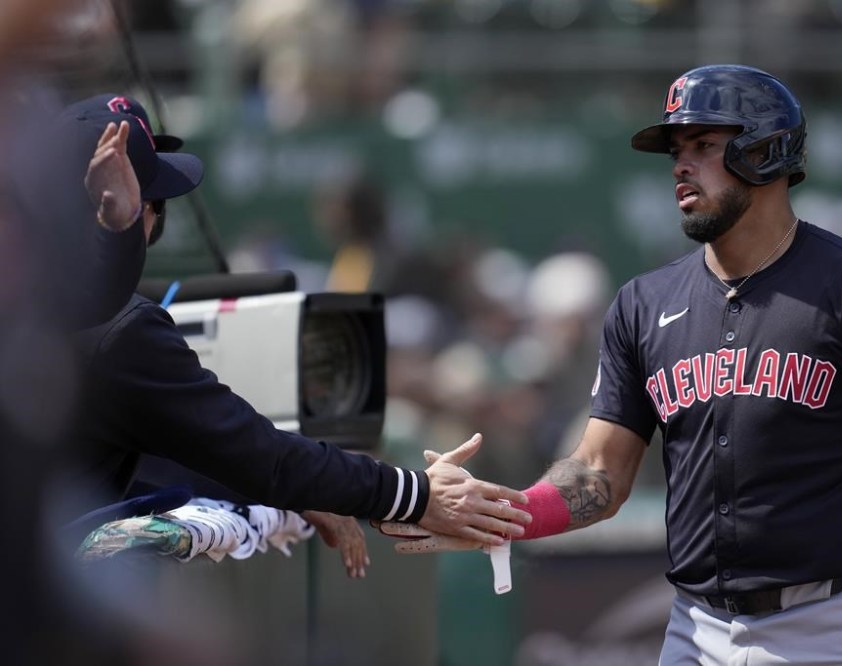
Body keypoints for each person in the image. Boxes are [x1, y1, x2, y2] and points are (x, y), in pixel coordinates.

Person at [380, 65, 842, 665]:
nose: (680, 164)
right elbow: (599, 474)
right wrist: (508, 514)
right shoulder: (644, 303)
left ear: (766, 152)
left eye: (703, 145)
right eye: (676, 148)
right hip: (695, 631)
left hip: (834, 626)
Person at [58, 94, 531, 561]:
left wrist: (299, 489)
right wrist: (418, 495)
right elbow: (260, 455)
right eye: (154, 205)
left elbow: (168, 442)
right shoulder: (123, 332)